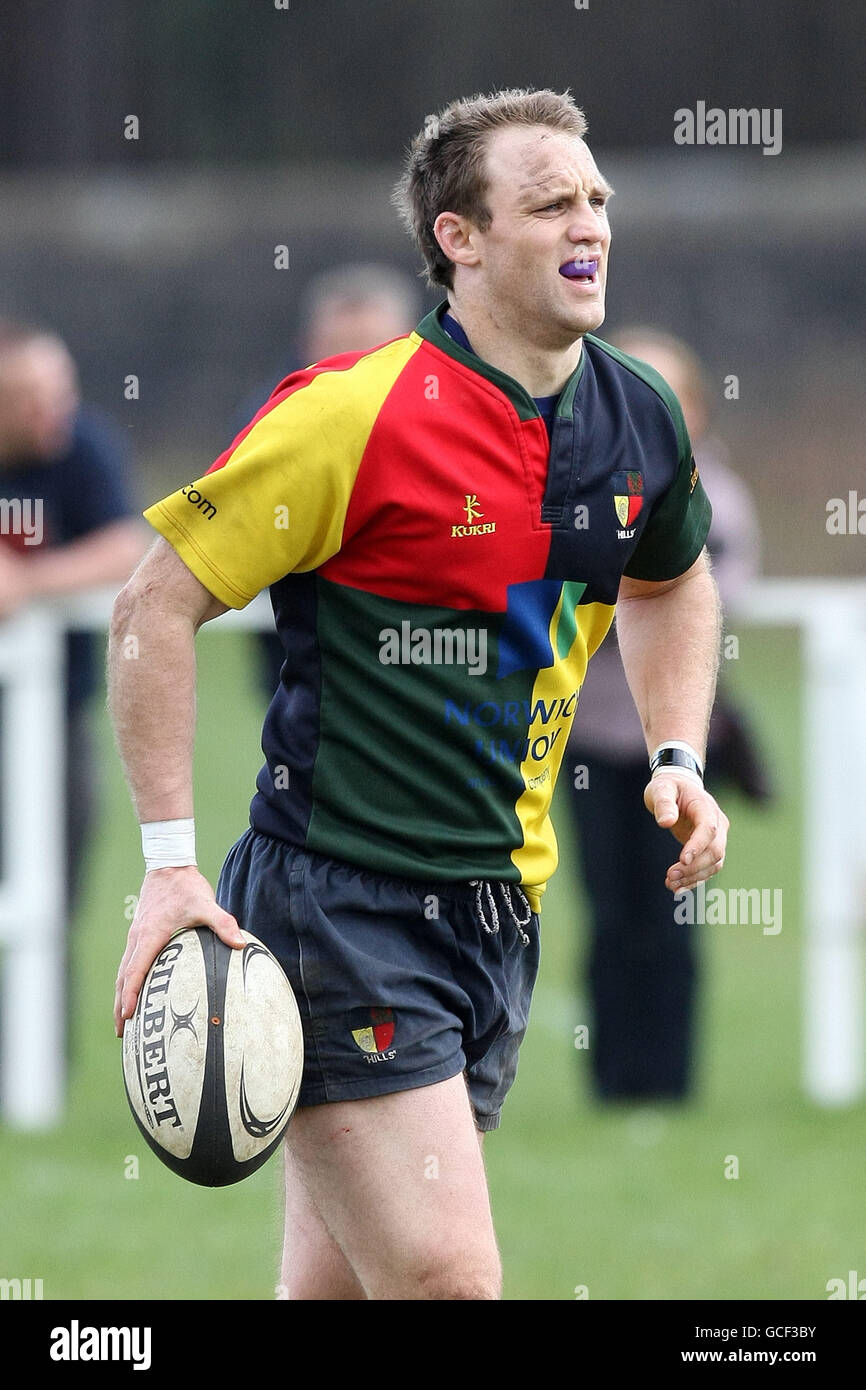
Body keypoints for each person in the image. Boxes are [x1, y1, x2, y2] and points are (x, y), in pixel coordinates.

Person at [109, 88, 729, 1301]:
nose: (588, 223)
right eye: (550, 203)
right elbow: (152, 608)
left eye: (596, 198)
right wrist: (170, 865)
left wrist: (674, 753)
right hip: (338, 901)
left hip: (496, 906)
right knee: (447, 1281)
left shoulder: (636, 414)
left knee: (336, 1290)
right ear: (459, 238)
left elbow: (672, 578)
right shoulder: (352, 411)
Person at [566, 327, 771, 1103]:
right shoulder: (574, 483)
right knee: (608, 908)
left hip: (673, 743)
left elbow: (717, 595)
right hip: (588, 737)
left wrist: (642, 602)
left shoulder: (711, 493)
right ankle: (613, 1081)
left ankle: (670, 1081)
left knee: (673, 911)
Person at [0, 321, 147, 913]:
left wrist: (25, 581)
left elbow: (126, 547)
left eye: (60, 393)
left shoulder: (83, 445)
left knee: (49, 903)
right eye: (29, 401)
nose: (52, 412)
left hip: (57, 716)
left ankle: (41, 1010)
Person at [232, 263, 421, 700]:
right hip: (298, 658)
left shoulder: (456, 416)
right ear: (308, 347)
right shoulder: (267, 423)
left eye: (374, 351)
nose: (356, 369)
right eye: (340, 350)